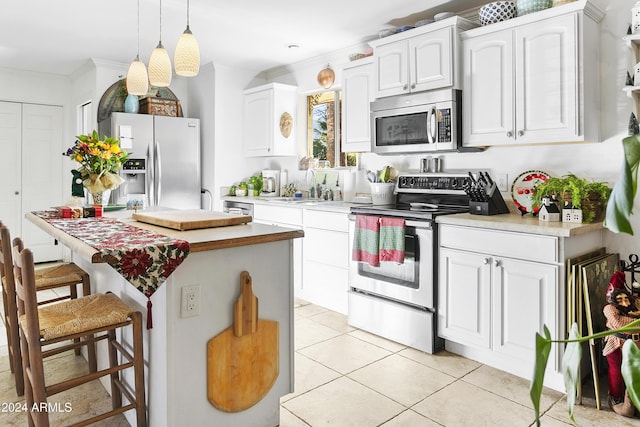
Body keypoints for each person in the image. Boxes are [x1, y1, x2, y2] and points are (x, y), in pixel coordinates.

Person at [603, 288, 639, 417]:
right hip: (616, 343)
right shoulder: (610, 309)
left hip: (635, 344)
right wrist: (636, 319)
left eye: (626, 299)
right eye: (620, 300)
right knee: (616, 369)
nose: (624, 302)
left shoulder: (635, 305)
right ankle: (615, 398)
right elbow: (621, 324)